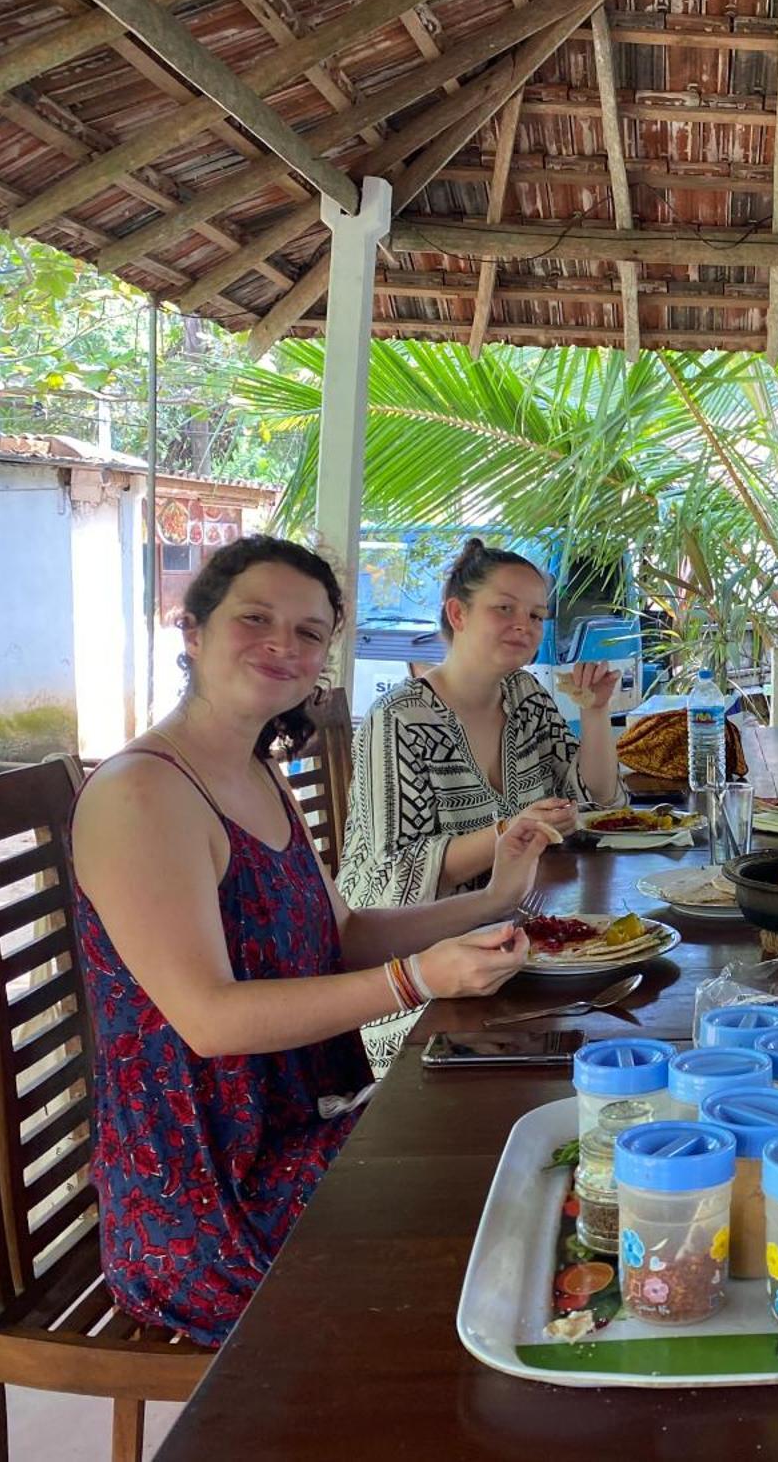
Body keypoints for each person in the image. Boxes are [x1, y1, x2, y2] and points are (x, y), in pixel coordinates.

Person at [71, 536, 558, 1345]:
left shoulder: (255, 770)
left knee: (529, 1147)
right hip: (210, 1198)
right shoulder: (143, 793)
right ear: (192, 631)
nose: (282, 645)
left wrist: (498, 899)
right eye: (254, 619)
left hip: (305, 1125)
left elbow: (346, 932)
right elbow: (210, 1020)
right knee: (505, 1218)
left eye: (308, 632)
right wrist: (416, 980)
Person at [340, 537, 623, 1071]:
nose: (525, 625)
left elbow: (595, 796)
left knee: (609, 1029)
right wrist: (506, 833)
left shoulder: (527, 697)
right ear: (458, 613)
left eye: (537, 614)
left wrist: (595, 712)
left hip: (506, 940)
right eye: (505, 608)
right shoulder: (400, 721)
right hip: (413, 969)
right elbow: (395, 873)